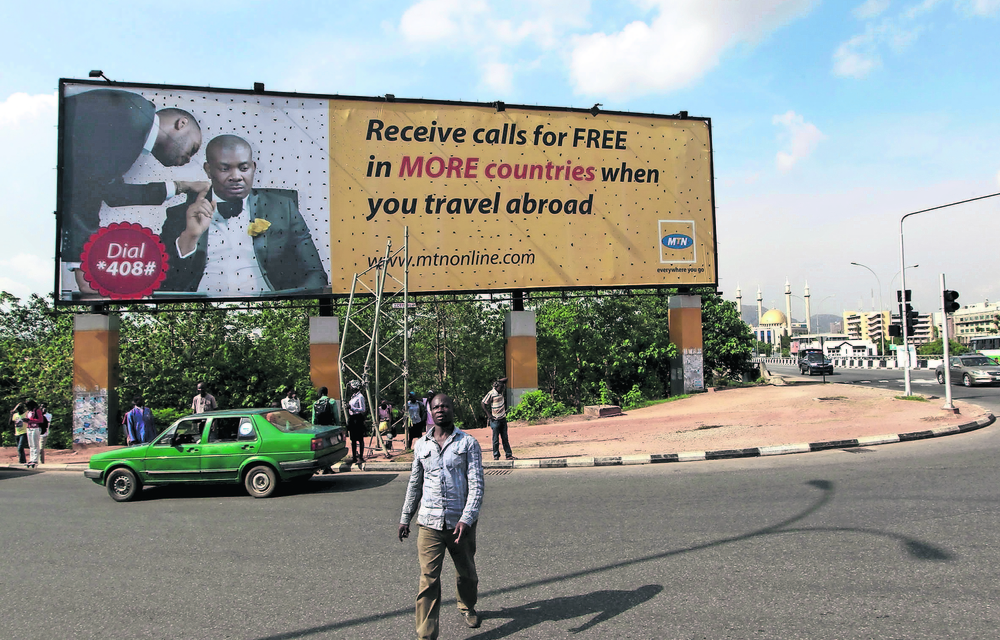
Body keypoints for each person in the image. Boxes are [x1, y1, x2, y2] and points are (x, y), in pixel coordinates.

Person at [61, 88, 206, 289]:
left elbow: (112, 193)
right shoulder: (133, 114)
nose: (188, 160)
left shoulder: (134, 125)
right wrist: (81, 265)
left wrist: (180, 186)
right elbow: (84, 190)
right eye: (192, 149)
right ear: (181, 124)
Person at [158, 134, 328, 295]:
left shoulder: (283, 208)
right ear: (208, 170)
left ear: (253, 167)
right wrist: (190, 237)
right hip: (202, 313)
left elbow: (315, 274)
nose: (236, 176)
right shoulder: (179, 215)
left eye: (243, 168)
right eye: (225, 169)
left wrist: (288, 306)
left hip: (269, 310)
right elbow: (164, 285)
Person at [399, 393, 485, 638]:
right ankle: (426, 635)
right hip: (429, 523)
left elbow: (477, 485)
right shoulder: (421, 445)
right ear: (430, 411)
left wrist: (467, 518)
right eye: (436, 406)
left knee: (466, 573)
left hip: (461, 523)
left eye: (445, 405)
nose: (440, 410)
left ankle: (467, 606)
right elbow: (415, 484)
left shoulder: (468, 443)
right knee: (428, 580)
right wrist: (405, 517)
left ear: (452, 409)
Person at [482, 377, 515, 461]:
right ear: (497, 387)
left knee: (505, 438)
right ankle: (496, 455)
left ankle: (508, 455)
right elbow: (483, 403)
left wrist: (499, 382)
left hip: (503, 419)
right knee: (495, 439)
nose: (502, 389)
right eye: (501, 388)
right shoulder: (491, 393)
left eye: (503, 387)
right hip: (495, 420)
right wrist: (489, 415)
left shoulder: (501, 391)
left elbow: (506, 379)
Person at [346, 381, 368, 468]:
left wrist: (351, 407)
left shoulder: (360, 397)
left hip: (358, 418)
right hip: (352, 418)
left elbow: (363, 409)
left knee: (360, 438)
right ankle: (354, 456)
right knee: (353, 438)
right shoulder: (353, 397)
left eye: (351, 387)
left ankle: (361, 457)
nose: (350, 389)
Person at [22, 400, 45, 469]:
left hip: (35, 428)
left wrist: (30, 421)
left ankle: (35, 459)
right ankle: (31, 459)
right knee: (31, 445)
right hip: (29, 428)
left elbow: (41, 420)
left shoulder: (37, 411)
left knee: (35, 444)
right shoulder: (28, 412)